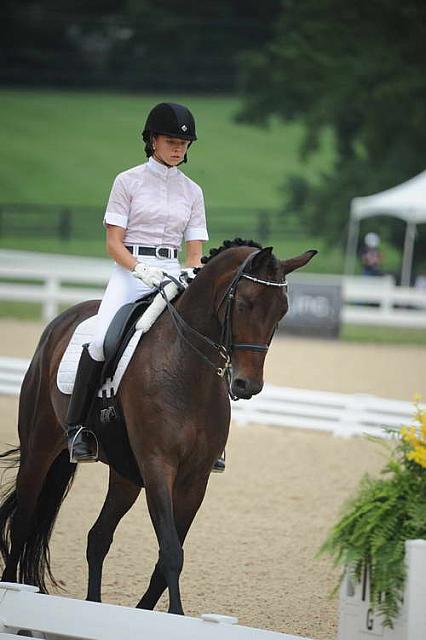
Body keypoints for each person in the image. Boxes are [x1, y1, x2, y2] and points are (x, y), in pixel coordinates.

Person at [65, 102, 214, 466]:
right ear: (152, 140)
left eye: (184, 142)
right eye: (171, 141)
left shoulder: (193, 192)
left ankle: (211, 435)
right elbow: (113, 243)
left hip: (172, 271)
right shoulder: (127, 181)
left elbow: (195, 251)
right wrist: (138, 269)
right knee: (101, 340)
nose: (179, 148)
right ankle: (78, 429)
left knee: (207, 338)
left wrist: (191, 272)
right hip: (131, 271)